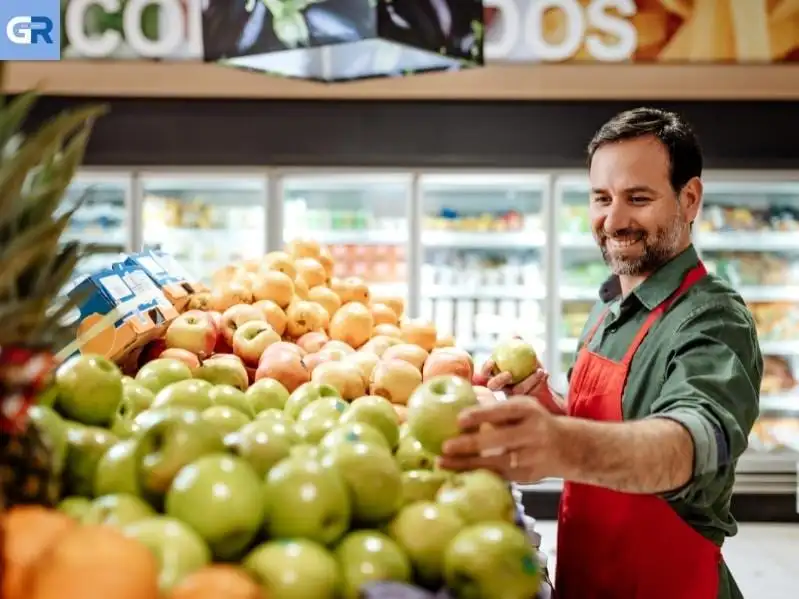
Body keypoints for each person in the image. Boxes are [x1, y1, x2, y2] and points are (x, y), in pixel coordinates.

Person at [440, 107, 762, 599]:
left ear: (689, 198)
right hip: (589, 577)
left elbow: (690, 446)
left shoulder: (713, 317)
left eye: (637, 198)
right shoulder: (608, 307)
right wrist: (546, 409)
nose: (613, 220)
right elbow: (610, 440)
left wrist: (563, 442)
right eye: (601, 198)